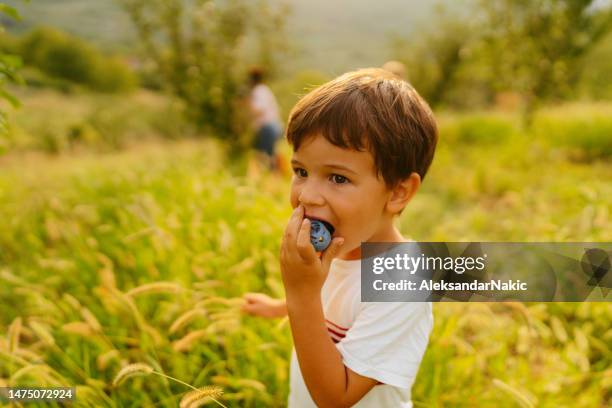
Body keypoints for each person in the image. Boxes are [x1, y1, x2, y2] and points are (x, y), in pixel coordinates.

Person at [242, 68, 438, 407]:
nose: (308, 196)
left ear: (398, 192)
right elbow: (328, 302)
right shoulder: (341, 245)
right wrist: (282, 306)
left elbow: (336, 397)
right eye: (301, 172)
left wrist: (300, 293)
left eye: (337, 178)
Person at [248, 67, 283, 171]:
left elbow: (259, 110)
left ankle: (271, 175)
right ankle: (273, 175)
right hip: (274, 125)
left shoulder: (259, 91)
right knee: (271, 152)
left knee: (266, 154)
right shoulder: (264, 90)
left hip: (268, 126)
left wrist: (246, 105)